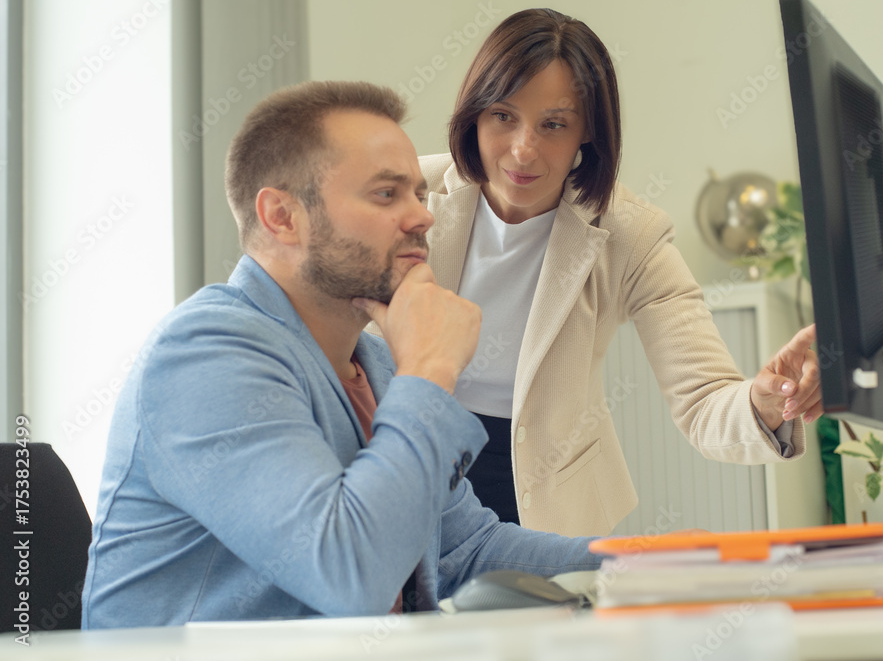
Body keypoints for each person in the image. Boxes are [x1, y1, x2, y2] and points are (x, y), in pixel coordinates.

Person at [81, 81, 601, 629]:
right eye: (386, 194)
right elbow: (351, 575)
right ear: (282, 216)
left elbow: (467, 550)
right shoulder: (204, 357)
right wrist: (430, 369)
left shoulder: (372, 365)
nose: (422, 218)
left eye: (419, 196)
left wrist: (648, 558)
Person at [411, 8, 821, 536]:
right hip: (410, 473)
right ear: (474, 115)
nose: (523, 149)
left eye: (553, 124)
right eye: (503, 116)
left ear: (588, 133)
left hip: (544, 500)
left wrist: (764, 405)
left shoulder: (632, 235)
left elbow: (703, 400)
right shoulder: (407, 191)